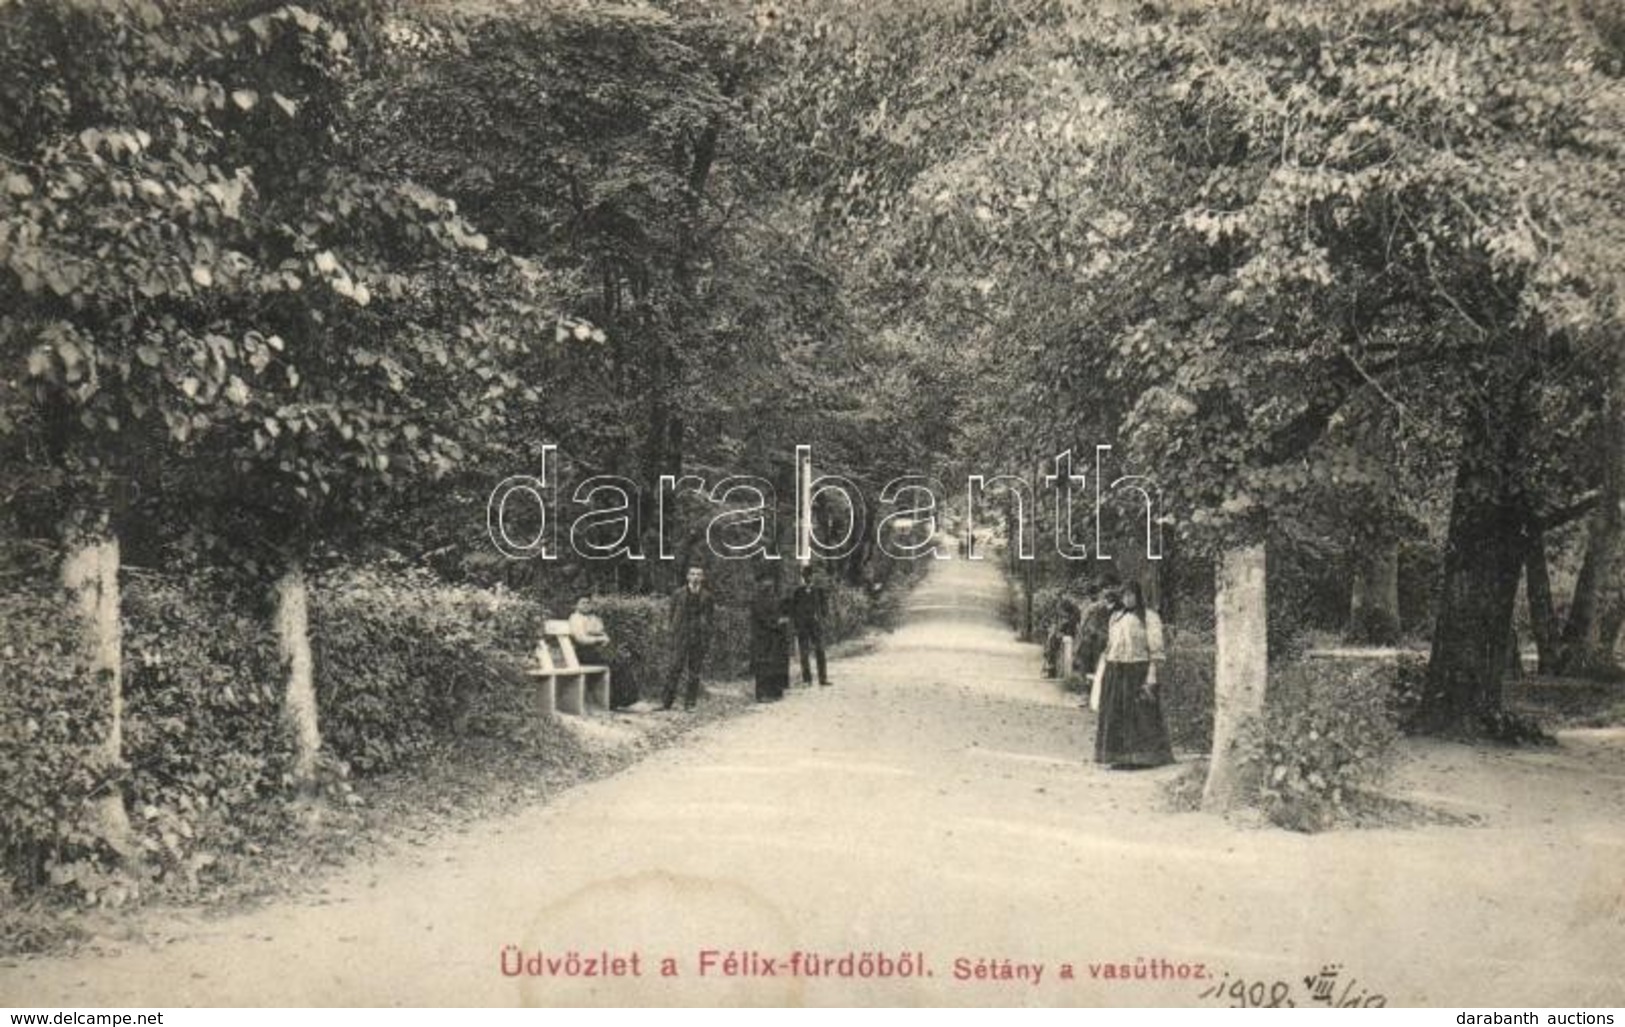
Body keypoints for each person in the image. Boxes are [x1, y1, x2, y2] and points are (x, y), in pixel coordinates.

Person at [1093, 580, 1174, 769]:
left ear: (1138, 596)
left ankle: (1142, 758)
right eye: (1124, 595)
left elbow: (1155, 649)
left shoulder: (1149, 617)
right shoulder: (1116, 616)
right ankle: (1118, 758)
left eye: (1131, 595)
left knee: (1139, 715)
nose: (1128, 599)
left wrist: (1151, 674)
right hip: (1116, 669)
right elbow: (1110, 646)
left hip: (1138, 670)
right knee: (1116, 714)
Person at [568, 596, 637, 709]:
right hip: (583, 652)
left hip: (596, 650)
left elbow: (603, 633)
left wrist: (599, 636)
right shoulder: (575, 618)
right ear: (576, 605)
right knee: (614, 663)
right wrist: (598, 638)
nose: (586, 605)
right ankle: (612, 701)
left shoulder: (593, 618)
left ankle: (624, 699)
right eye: (583, 603)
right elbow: (581, 639)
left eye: (588, 603)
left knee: (621, 661)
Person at [663, 564, 715, 711]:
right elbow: (671, 615)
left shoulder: (707, 597)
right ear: (687, 576)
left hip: (698, 637)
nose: (695, 577)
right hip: (681, 636)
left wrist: (706, 638)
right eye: (692, 574)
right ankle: (666, 702)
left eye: (699, 574)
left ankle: (690, 703)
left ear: (703, 578)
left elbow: (710, 620)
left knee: (694, 672)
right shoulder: (678, 594)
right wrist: (672, 633)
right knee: (674, 668)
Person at [749, 574, 791, 702]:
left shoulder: (775, 598)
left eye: (770, 582)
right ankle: (761, 694)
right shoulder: (756, 600)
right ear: (760, 584)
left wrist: (783, 621)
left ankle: (774, 691)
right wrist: (777, 622)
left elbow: (781, 612)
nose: (768, 584)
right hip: (761, 637)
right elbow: (762, 618)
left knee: (775, 664)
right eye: (766, 582)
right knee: (762, 665)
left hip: (775, 637)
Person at [788, 564, 830, 686]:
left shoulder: (819, 591)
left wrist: (820, 617)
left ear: (813, 577)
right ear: (803, 577)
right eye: (806, 576)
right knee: (804, 652)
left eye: (810, 576)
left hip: (816, 626)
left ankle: (823, 679)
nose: (808, 579)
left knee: (820, 651)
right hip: (803, 627)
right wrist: (797, 624)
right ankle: (807, 680)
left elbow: (825, 608)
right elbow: (793, 610)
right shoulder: (798, 592)